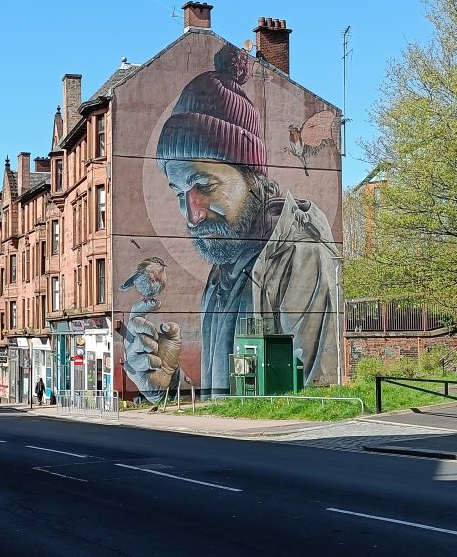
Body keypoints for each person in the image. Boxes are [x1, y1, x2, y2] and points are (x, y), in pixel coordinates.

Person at [124, 43, 339, 401]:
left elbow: (318, 399)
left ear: (251, 174)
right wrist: (168, 385)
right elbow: (224, 401)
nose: (192, 214)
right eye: (179, 193)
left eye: (204, 185)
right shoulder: (226, 267)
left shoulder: (297, 249)